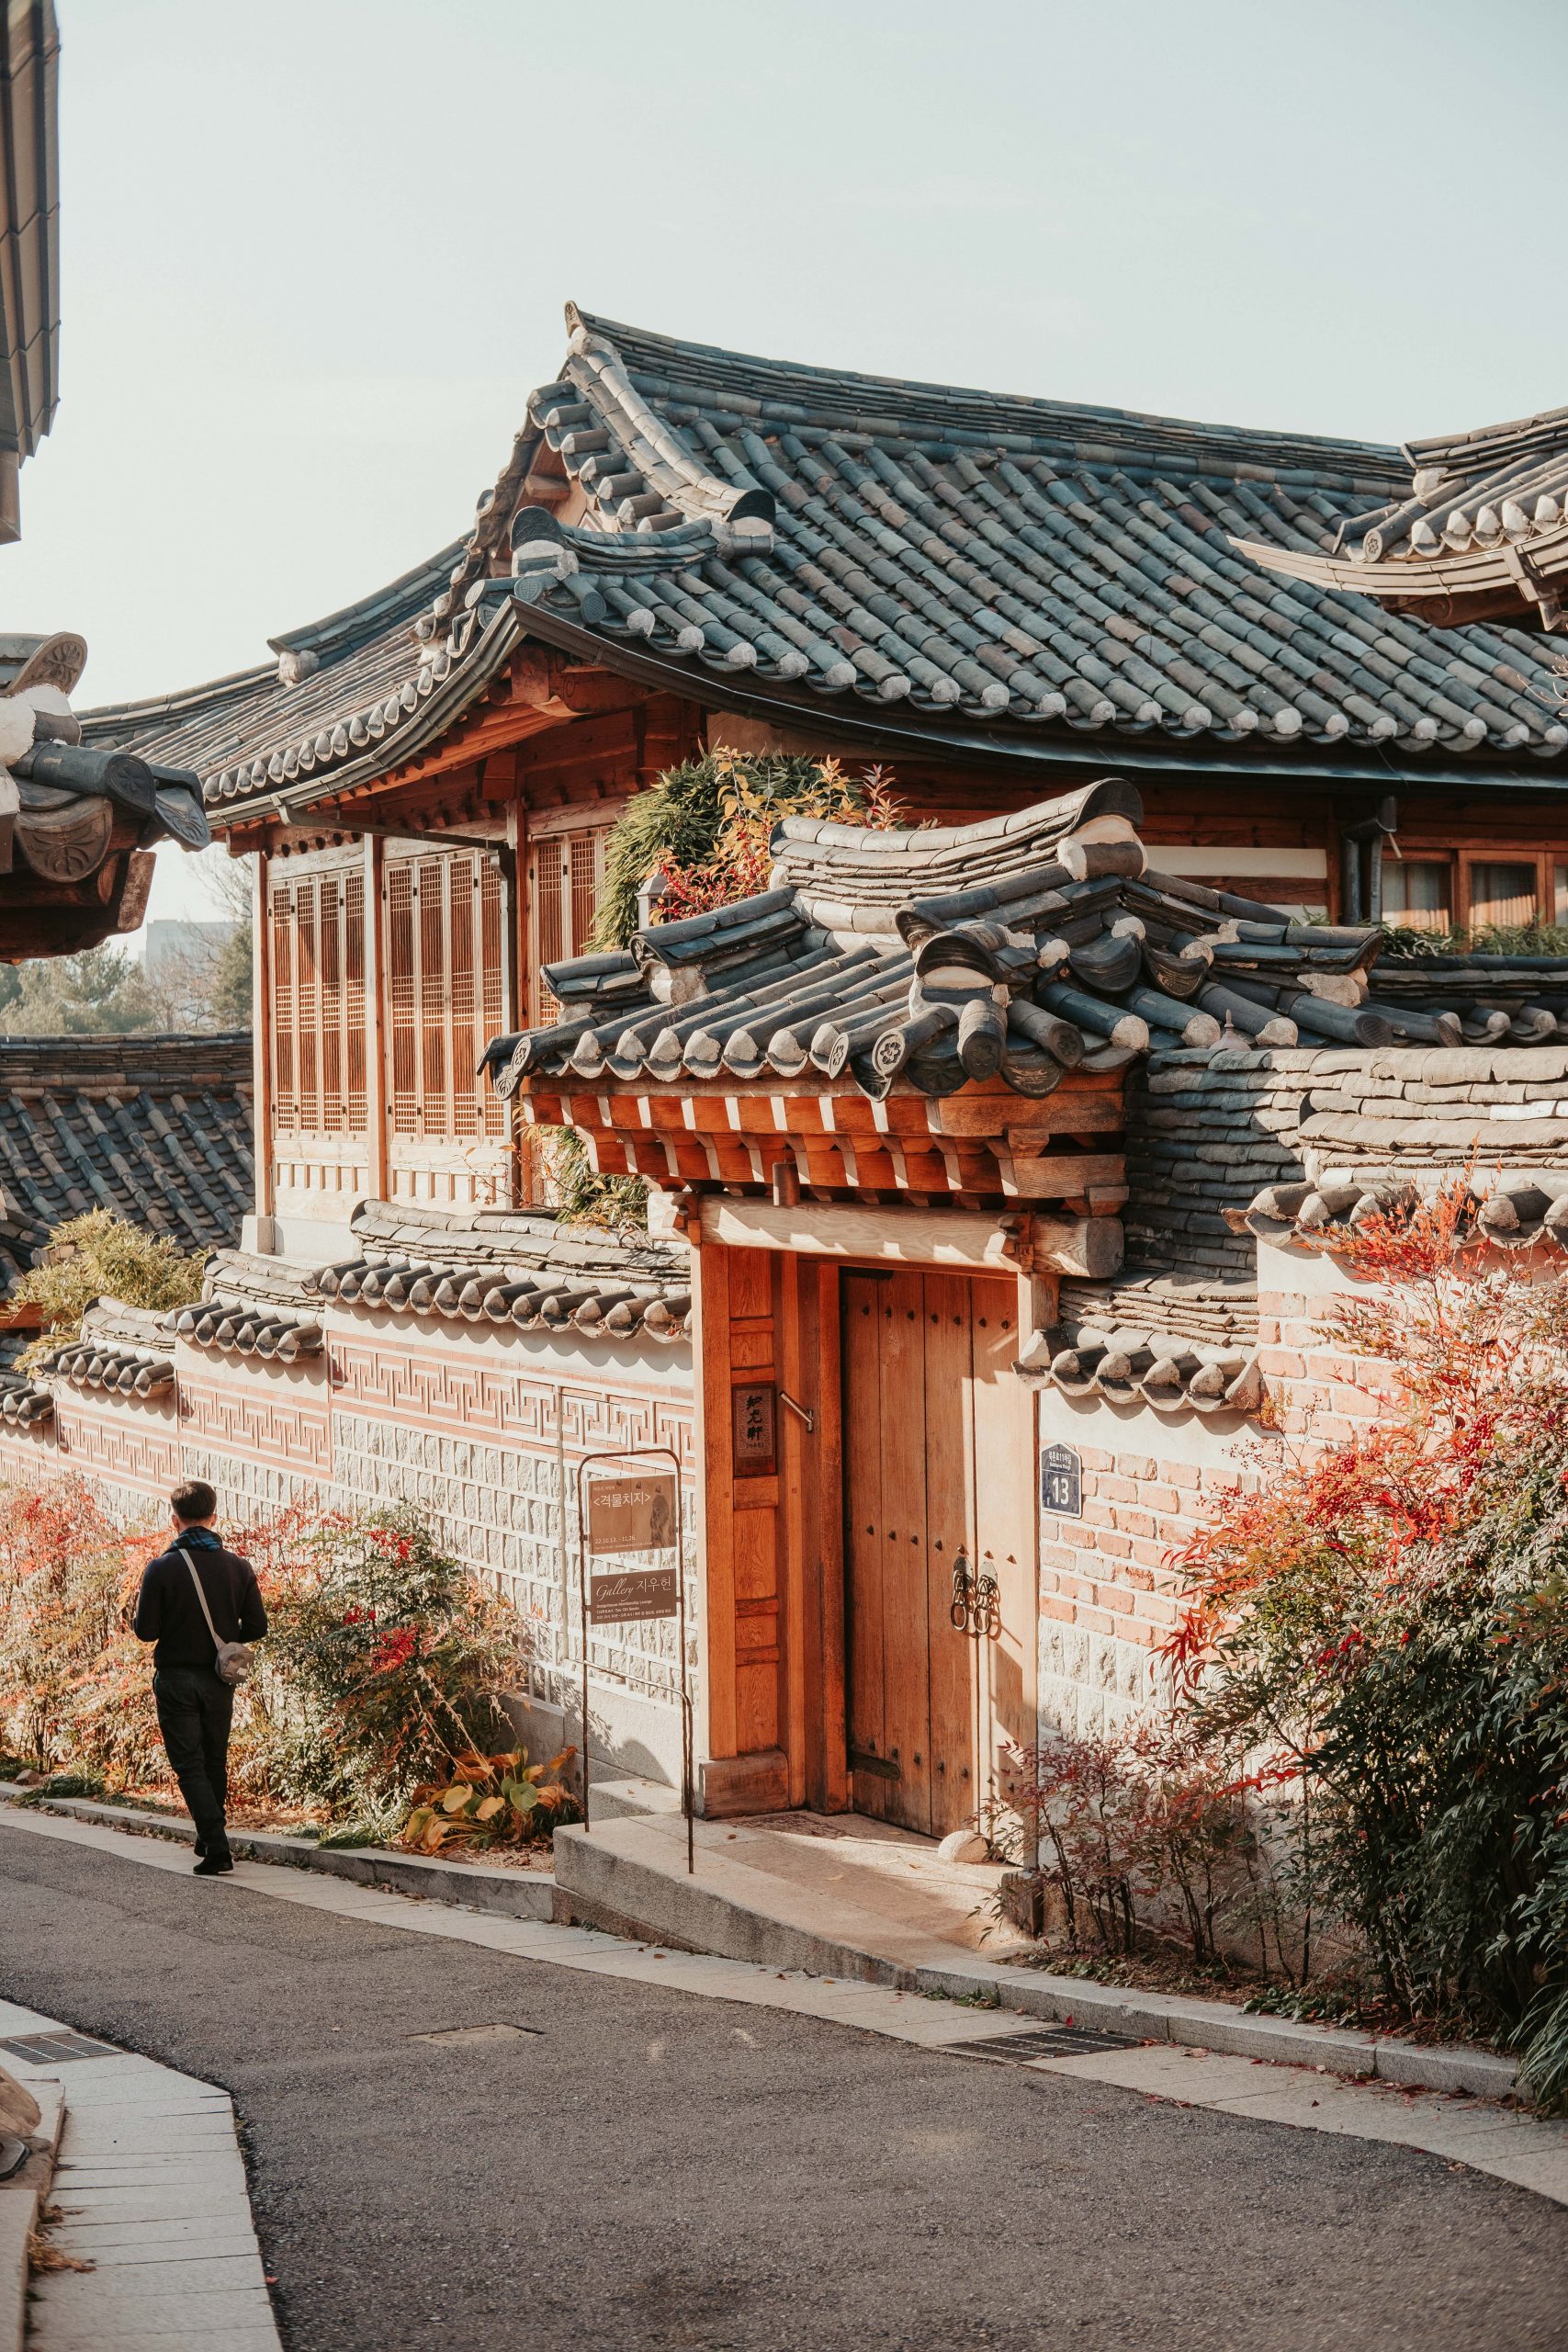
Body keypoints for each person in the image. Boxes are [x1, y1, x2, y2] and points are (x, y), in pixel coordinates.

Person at [132, 1480, 266, 1877]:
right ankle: (209, 1838)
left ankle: (218, 1846)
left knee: (189, 1764)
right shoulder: (238, 1566)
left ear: (175, 1520)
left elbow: (146, 1631)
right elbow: (257, 1626)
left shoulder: (160, 1568)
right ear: (214, 1518)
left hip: (175, 1679)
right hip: (218, 1680)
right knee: (213, 1760)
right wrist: (226, 1638)